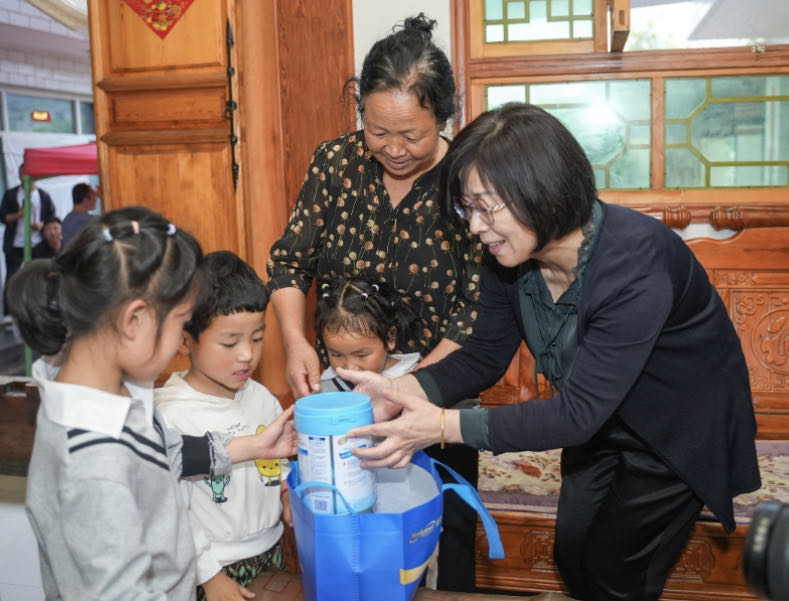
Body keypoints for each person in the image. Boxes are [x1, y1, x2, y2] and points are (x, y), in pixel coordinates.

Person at [341, 102, 762, 601]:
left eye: (485, 207)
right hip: (599, 421)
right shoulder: (507, 259)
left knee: (615, 574)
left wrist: (441, 426)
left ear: (541, 190)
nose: (475, 227)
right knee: (572, 553)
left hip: (674, 431)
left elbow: (578, 413)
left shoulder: (636, 263)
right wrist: (398, 390)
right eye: (466, 209)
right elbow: (484, 355)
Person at [266, 13, 484, 591]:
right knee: (343, 522)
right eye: (377, 130)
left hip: (436, 394)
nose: (393, 149)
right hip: (341, 397)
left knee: (446, 531)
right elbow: (290, 263)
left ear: (444, 117)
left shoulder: (467, 178)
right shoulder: (335, 163)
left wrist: (406, 392)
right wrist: (294, 342)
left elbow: (474, 312)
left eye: (412, 135)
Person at [7, 206, 297, 600]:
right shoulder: (92, 464)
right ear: (135, 321)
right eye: (181, 321)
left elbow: (167, 453)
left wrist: (255, 446)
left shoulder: (117, 393)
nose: (181, 341)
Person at [155, 250, 292, 601]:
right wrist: (210, 576)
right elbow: (170, 513)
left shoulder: (261, 398)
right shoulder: (170, 415)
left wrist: (286, 492)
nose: (247, 354)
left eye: (257, 338)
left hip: (269, 549)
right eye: (230, 342)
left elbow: (277, 462)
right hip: (209, 567)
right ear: (185, 341)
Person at [315, 278, 421, 393]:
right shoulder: (327, 384)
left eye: (361, 355)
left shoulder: (415, 382)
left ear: (390, 338)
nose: (350, 368)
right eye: (336, 355)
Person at [0, 163, 56, 314]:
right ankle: (8, 313)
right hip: (16, 244)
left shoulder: (43, 196)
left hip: (38, 243)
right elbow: (3, 217)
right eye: (24, 175)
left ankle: (42, 310)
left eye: (30, 176)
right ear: (19, 176)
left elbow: (51, 216)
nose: (27, 179)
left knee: (41, 276)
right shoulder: (11, 195)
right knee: (12, 278)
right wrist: (18, 215)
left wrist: (41, 225)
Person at [61, 182, 99, 246]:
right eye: (94, 197)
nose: (96, 200)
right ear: (85, 199)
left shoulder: (67, 220)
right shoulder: (87, 220)